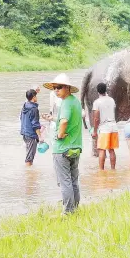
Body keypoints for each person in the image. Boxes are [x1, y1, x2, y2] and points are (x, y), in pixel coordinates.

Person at [43, 74, 83, 214]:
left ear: (67, 88)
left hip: (62, 149)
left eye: (59, 87)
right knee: (73, 181)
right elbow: (67, 120)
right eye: (54, 88)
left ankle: (68, 212)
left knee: (65, 181)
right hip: (76, 147)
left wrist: (59, 135)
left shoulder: (65, 102)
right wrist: (53, 118)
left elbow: (65, 121)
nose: (56, 90)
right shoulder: (75, 102)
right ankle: (75, 208)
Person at [92, 82, 118, 170]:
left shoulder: (97, 102)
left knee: (102, 150)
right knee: (111, 150)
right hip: (114, 126)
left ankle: (101, 171)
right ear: (105, 90)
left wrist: (95, 131)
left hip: (104, 128)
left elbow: (96, 118)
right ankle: (113, 169)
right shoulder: (112, 100)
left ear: (97, 91)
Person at [20, 89, 43, 166]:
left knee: (29, 154)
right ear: (33, 97)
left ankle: (30, 173)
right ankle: (29, 175)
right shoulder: (34, 109)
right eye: (36, 96)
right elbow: (35, 124)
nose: (37, 97)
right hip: (31, 135)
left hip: (25, 134)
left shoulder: (24, 106)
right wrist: (40, 137)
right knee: (29, 158)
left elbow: (22, 118)